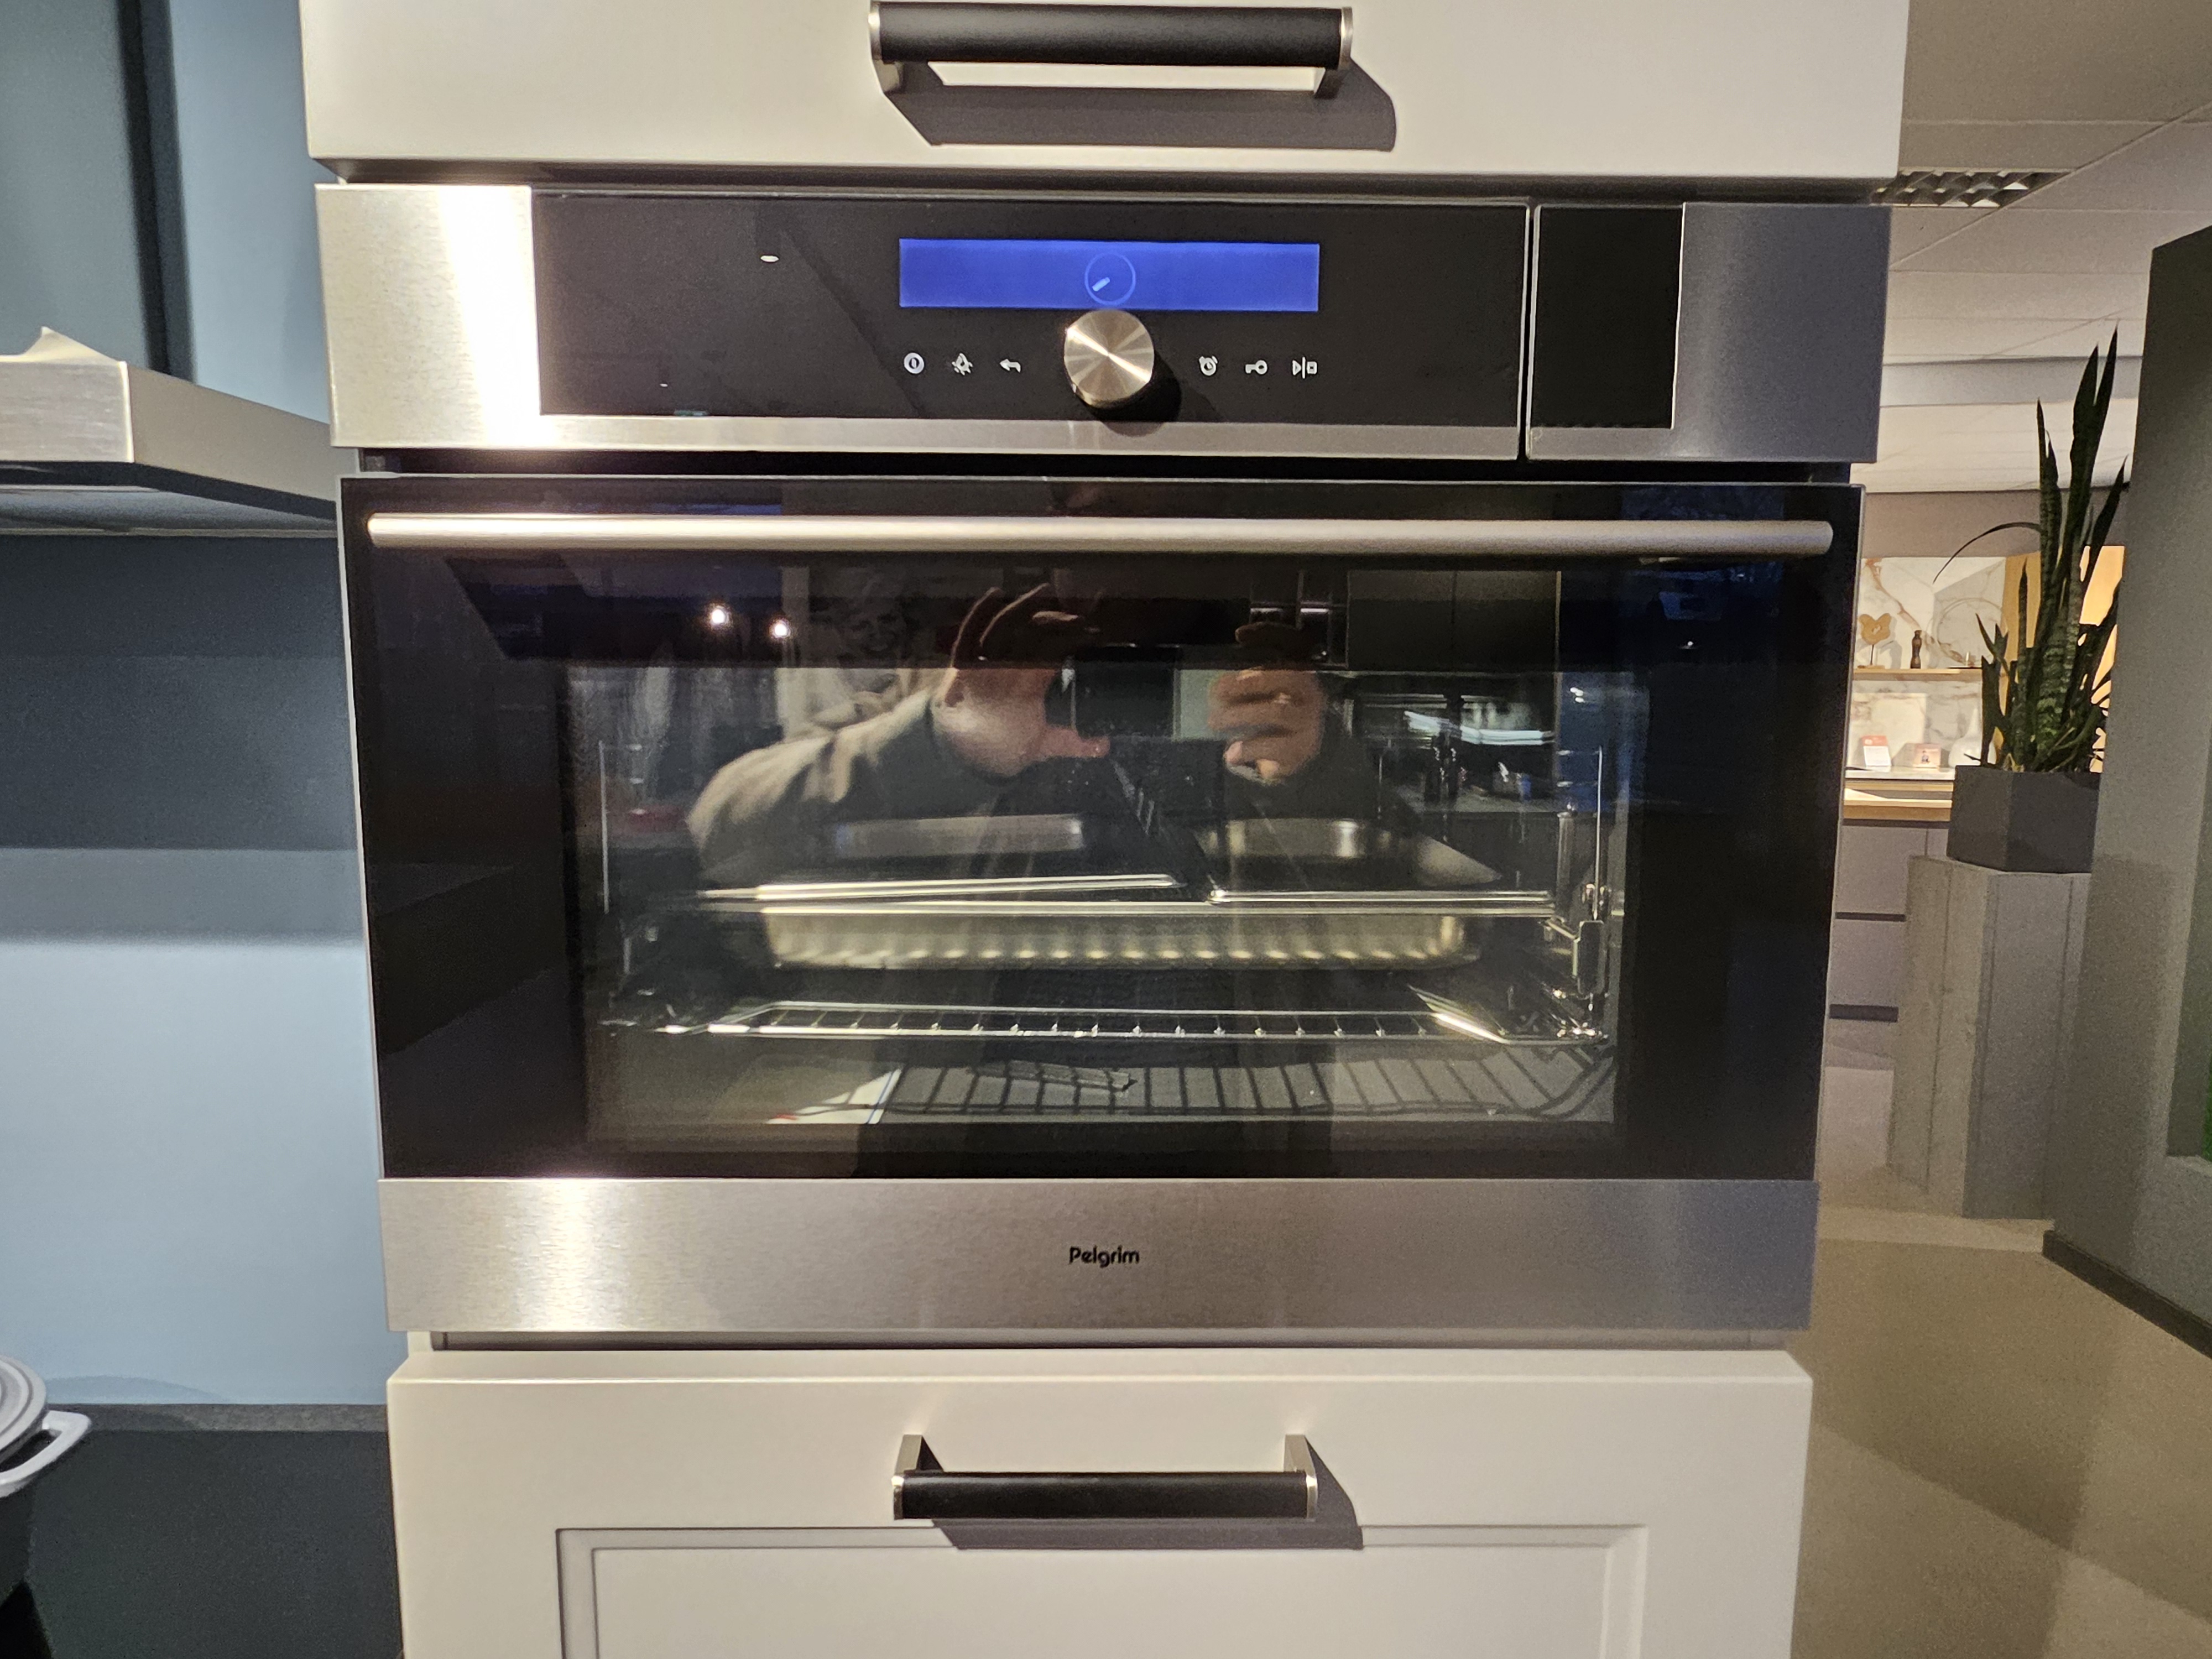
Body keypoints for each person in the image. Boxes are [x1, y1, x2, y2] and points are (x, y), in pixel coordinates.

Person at [687, 584, 1385, 885]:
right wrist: (943, 740)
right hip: (969, 1076)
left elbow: (1397, 877)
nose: (1132, 561)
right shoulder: (960, 683)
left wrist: (1317, 765)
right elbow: (723, 828)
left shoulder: (1261, 687)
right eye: (1100, 514)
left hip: (1240, 1077)